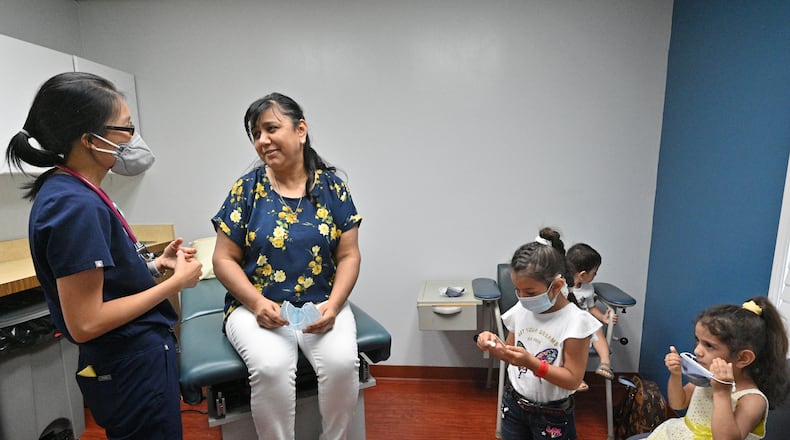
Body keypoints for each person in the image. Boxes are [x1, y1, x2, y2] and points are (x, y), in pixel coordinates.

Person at [5, 72, 203, 439]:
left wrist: (153, 267)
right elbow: (86, 322)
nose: (133, 139)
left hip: (133, 360)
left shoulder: (74, 189)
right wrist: (175, 283)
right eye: (125, 129)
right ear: (90, 140)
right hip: (130, 366)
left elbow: (105, 282)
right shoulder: (73, 206)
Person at [211, 92, 362, 439]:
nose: (262, 140)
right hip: (256, 307)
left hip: (320, 303)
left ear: (301, 130)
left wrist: (334, 306)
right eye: (255, 134)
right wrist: (256, 302)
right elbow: (223, 258)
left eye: (271, 128)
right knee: (271, 367)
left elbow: (349, 255)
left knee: (342, 364)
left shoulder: (333, 188)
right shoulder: (246, 190)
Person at [476, 227, 602, 440]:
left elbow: (572, 380)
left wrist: (533, 364)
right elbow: (511, 355)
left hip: (552, 415)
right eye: (518, 290)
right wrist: (491, 343)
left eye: (530, 292)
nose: (523, 298)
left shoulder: (576, 323)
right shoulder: (521, 309)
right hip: (514, 403)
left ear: (557, 286)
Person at [645, 296, 790, 439]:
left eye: (709, 345)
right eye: (698, 341)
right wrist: (675, 375)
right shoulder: (706, 377)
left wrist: (722, 393)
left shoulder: (752, 399)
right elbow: (678, 403)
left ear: (742, 358)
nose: (697, 351)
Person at [565, 243, 617, 392]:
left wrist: (603, 318)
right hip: (568, 325)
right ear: (582, 274)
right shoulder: (561, 287)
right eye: (594, 272)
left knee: (597, 327)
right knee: (570, 341)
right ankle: (575, 377)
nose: (595, 276)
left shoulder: (588, 288)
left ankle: (605, 363)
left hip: (584, 322)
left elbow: (591, 308)